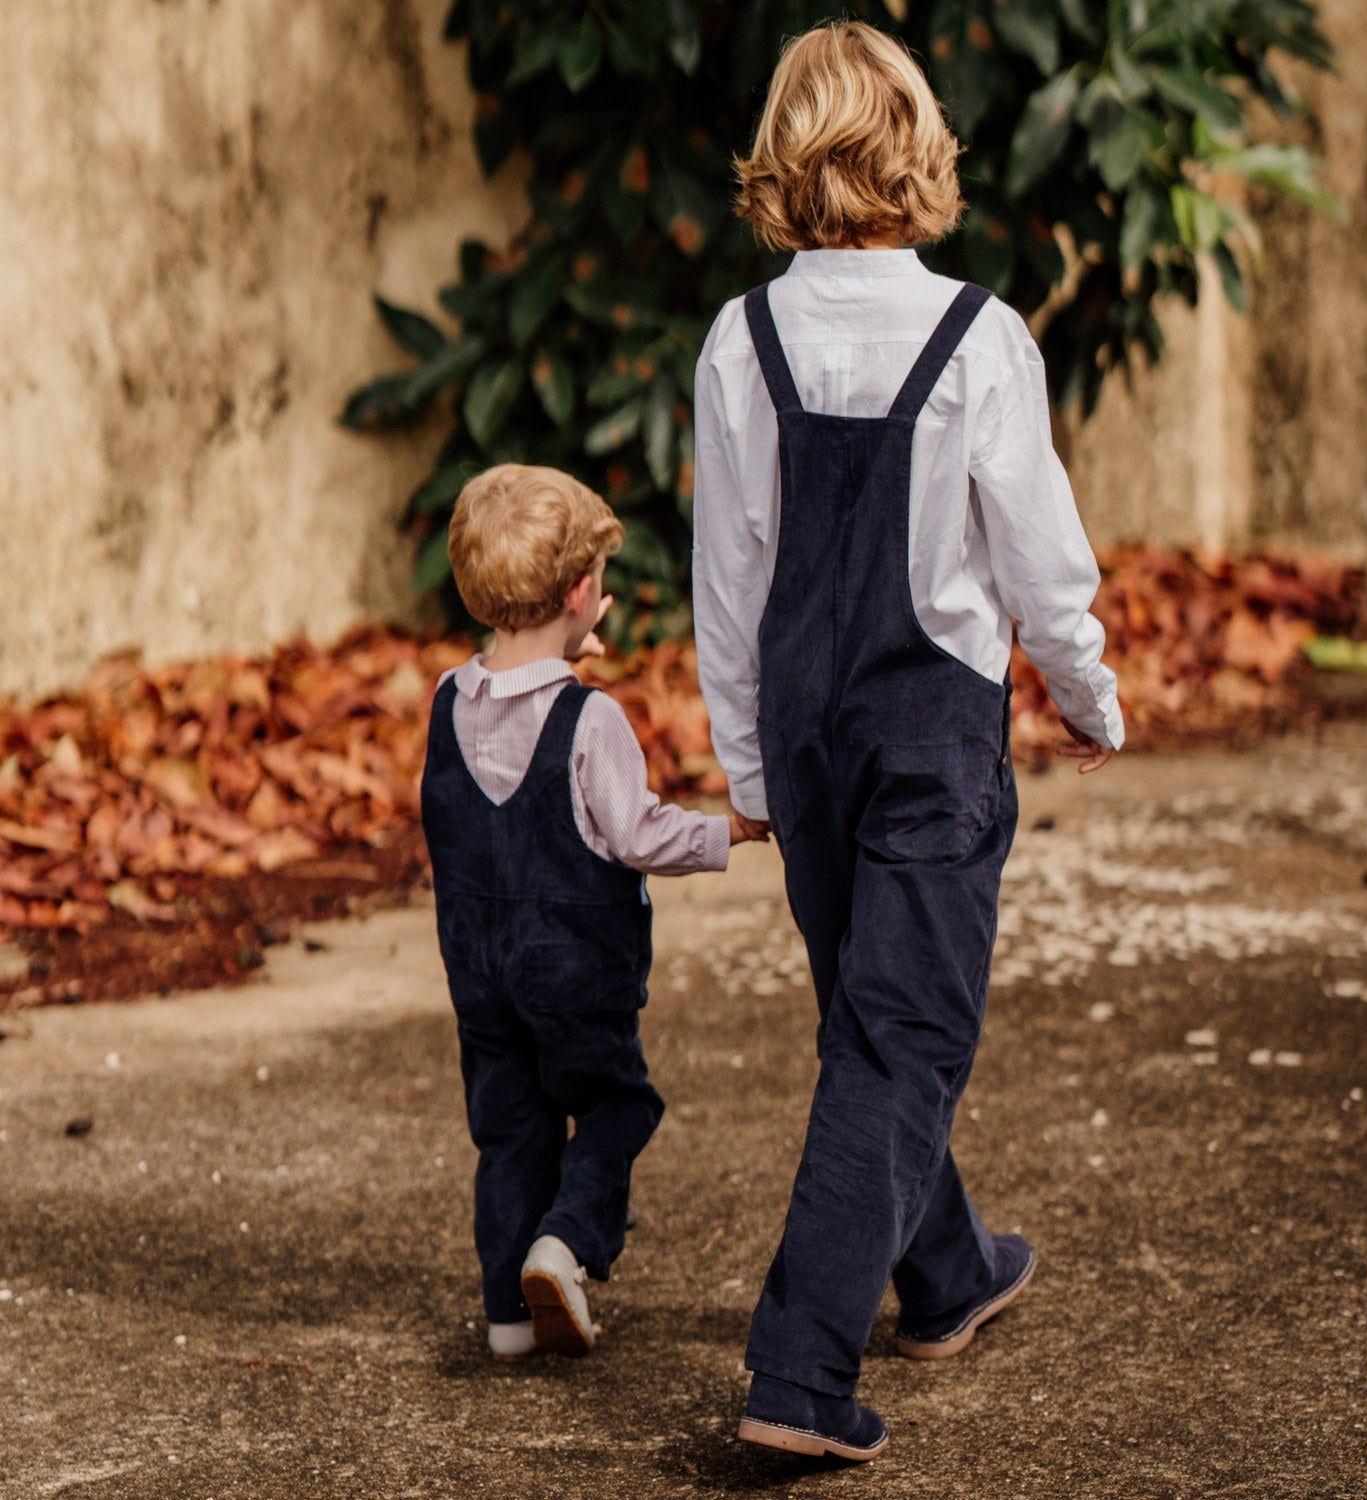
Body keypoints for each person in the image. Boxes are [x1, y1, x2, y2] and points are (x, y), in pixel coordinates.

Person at [692, 21, 1123, 1461]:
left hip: (808, 738)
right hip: (933, 731)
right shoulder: (982, 336)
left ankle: (946, 1274)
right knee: (906, 1027)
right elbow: (1041, 553)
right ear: (919, 150)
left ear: (783, 158)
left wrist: (746, 763)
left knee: (870, 1011)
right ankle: (799, 1374)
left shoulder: (739, 338)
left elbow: (730, 575)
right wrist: (1086, 687)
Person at [422, 463, 765, 1362]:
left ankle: (505, 1319)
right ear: (582, 595)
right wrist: (729, 832)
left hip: (479, 971)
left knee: (509, 1131)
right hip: (574, 969)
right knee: (617, 1105)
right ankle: (567, 1241)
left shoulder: (445, 705)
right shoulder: (590, 720)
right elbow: (638, 833)